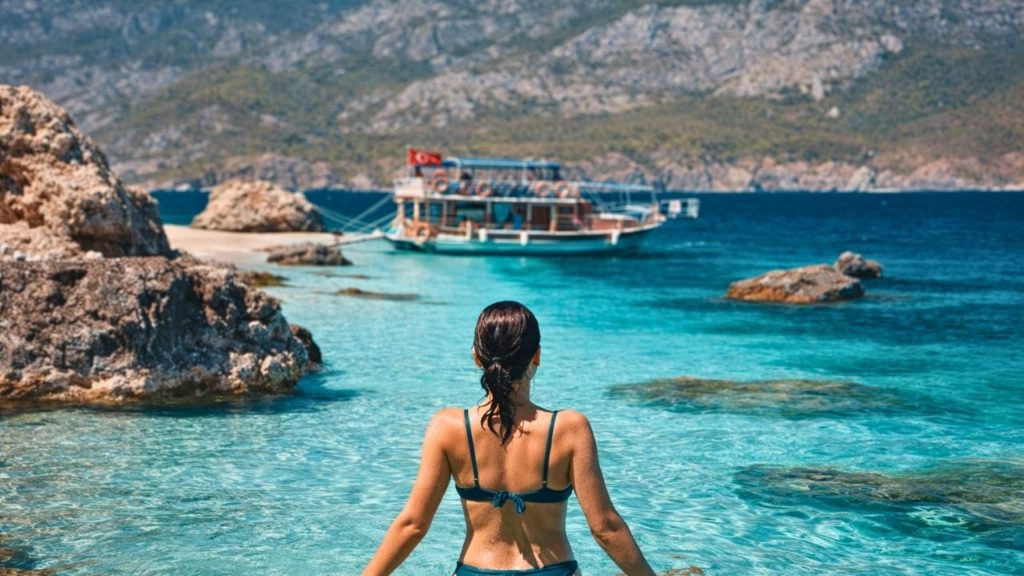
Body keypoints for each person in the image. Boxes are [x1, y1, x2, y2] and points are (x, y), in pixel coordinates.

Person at [362, 302, 656, 576]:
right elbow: (605, 529)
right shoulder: (570, 429)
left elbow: (413, 524)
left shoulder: (448, 427)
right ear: (537, 356)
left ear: (476, 357)